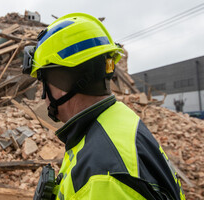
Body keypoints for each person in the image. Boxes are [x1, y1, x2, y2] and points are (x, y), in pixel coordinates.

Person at [22, 13, 185, 200]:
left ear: (62, 82)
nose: (42, 94)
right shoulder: (116, 119)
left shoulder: (100, 177)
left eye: (43, 81)